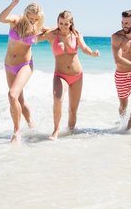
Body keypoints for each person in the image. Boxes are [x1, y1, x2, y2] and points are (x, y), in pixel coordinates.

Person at [38, 10, 100, 140]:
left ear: (71, 23)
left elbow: (84, 48)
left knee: (73, 110)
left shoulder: (76, 34)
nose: (63, 26)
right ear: (57, 22)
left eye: (66, 24)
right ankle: (56, 131)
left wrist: (93, 53)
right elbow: (34, 38)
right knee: (57, 99)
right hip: (60, 75)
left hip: (77, 76)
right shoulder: (51, 34)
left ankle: (70, 134)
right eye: (61, 23)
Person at [0, 0, 47, 144]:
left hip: (25, 65)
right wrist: (13, 3)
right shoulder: (16, 20)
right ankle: (32, 125)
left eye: (35, 19)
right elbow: (0, 18)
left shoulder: (36, 27)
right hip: (9, 65)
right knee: (19, 99)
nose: (33, 22)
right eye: (30, 18)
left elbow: (54, 31)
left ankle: (16, 132)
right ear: (25, 14)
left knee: (12, 95)